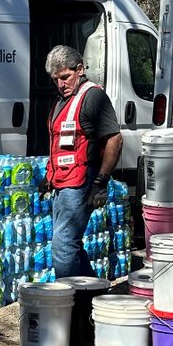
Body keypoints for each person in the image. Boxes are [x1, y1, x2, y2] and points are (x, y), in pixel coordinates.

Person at [42, 46, 123, 279]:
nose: (60, 84)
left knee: (64, 244)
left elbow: (115, 140)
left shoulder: (93, 96)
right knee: (69, 243)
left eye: (65, 77)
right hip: (62, 182)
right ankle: (92, 294)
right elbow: (60, 143)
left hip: (81, 182)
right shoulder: (62, 99)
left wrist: (101, 182)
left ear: (80, 69)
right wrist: (49, 177)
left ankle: (68, 303)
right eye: (55, 79)